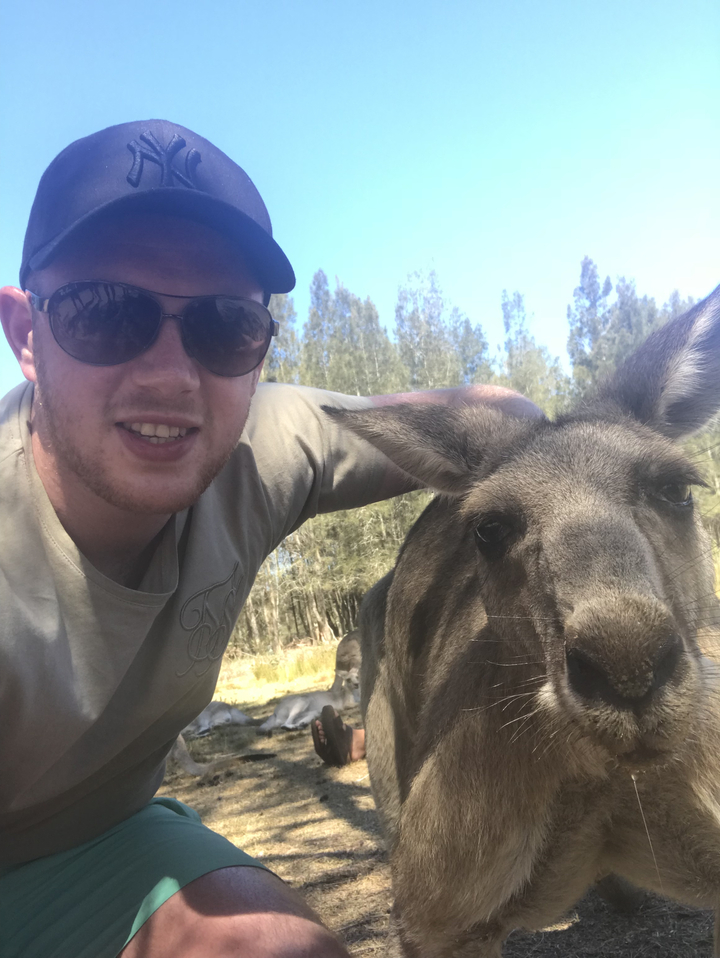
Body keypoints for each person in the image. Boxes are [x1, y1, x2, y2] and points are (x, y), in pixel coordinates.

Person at [0, 119, 541, 958]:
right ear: (27, 335)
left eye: (224, 328)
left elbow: (496, 412)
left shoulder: (262, 445)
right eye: (107, 314)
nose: (173, 375)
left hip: (97, 845)